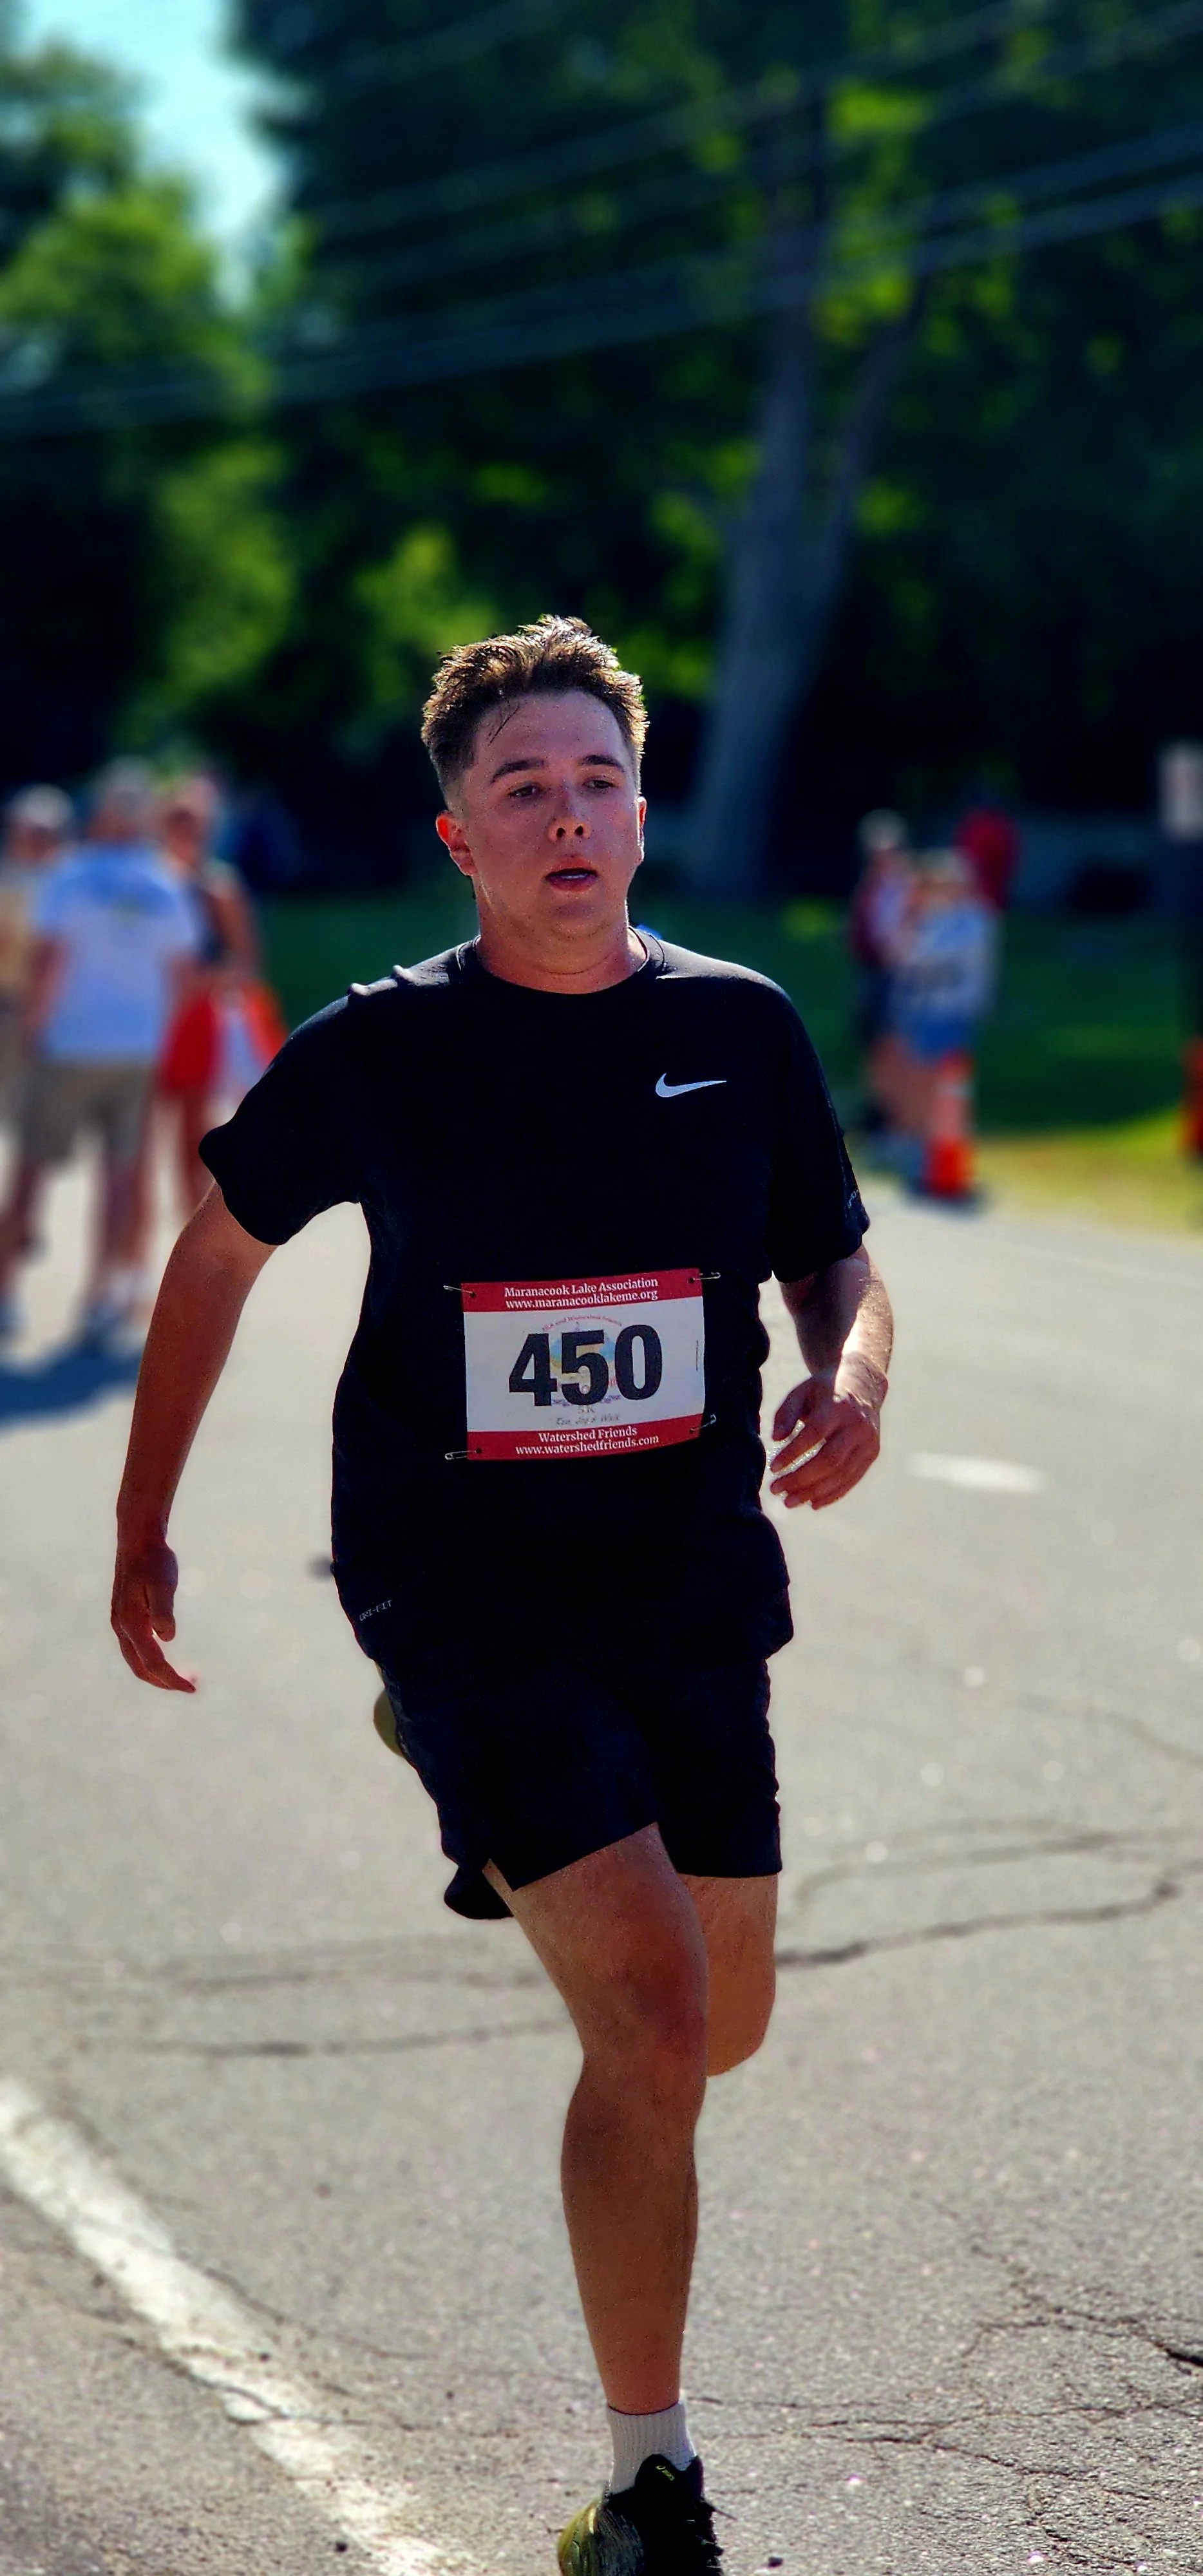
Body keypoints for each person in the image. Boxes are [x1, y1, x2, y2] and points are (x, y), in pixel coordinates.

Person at [110, 617, 893, 2576]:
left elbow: (832, 1255)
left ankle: (485, 1789)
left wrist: (851, 1373)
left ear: (638, 810)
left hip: (685, 1571)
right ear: (459, 836)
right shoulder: (382, 1049)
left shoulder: (741, 1029)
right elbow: (214, 1259)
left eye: (596, 781)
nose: (566, 817)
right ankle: (647, 2484)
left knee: (717, 2025)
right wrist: (143, 1521)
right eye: (521, 789)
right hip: (459, 1577)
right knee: (649, 2018)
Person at [0, 761, 198, 1343]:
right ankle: (100, 1295)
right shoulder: (163, 881)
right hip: (134, 1047)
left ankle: (5, 1291)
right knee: (120, 1175)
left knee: (32, 1170)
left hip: (69, 1042)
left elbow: (49, 961)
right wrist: (157, 1030)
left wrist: (33, 1029)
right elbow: (183, 972)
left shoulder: (72, 875)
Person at [140, 773, 285, 1231]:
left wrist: (201, 979)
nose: (187, 832)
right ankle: (133, 1247)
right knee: (136, 1142)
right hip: (147, 1017)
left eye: (194, 823)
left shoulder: (218, 887)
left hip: (196, 1016)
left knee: (193, 1132)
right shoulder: (147, 885)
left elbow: (244, 959)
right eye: (178, 820)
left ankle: (191, 1230)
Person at [873, 848, 996, 1180]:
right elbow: (897, 953)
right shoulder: (930, 917)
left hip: (948, 1012)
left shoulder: (974, 920)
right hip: (917, 1008)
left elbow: (931, 959)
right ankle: (912, 1150)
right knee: (912, 1082)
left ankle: (930, 1158)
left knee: (939, 1087)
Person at [0, 784, 73, 1119]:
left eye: (44, 833)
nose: (35, 840)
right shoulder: (7, 877)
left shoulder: (71, 883)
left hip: (54, 1010)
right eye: (30, 832)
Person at [847, 808, 912, 1130]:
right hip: (872, 970)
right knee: (871, 1038)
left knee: (894, 1041)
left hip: (901, 974)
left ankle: (895, 1112)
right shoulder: (870, 885)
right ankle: (875, 1106)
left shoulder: (910, 886)